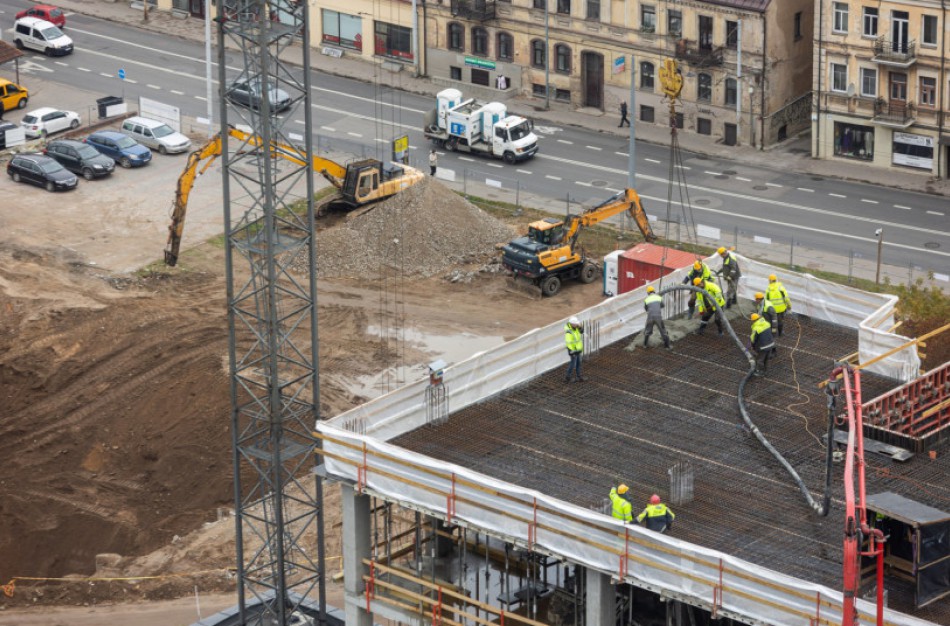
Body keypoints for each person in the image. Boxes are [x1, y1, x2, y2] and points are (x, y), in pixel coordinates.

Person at [564, 316, 585, 383]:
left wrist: (580, 327)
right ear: (572, 324)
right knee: (572, 364)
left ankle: (579, 376)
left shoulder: (576, 328)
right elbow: (569, 343)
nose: (577, 324)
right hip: (573, 350)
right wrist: (571, 351)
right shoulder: (569, 332)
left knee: (579, 363)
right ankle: (567, 378)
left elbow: (581, 332)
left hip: (578, 349)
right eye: (576, 324)